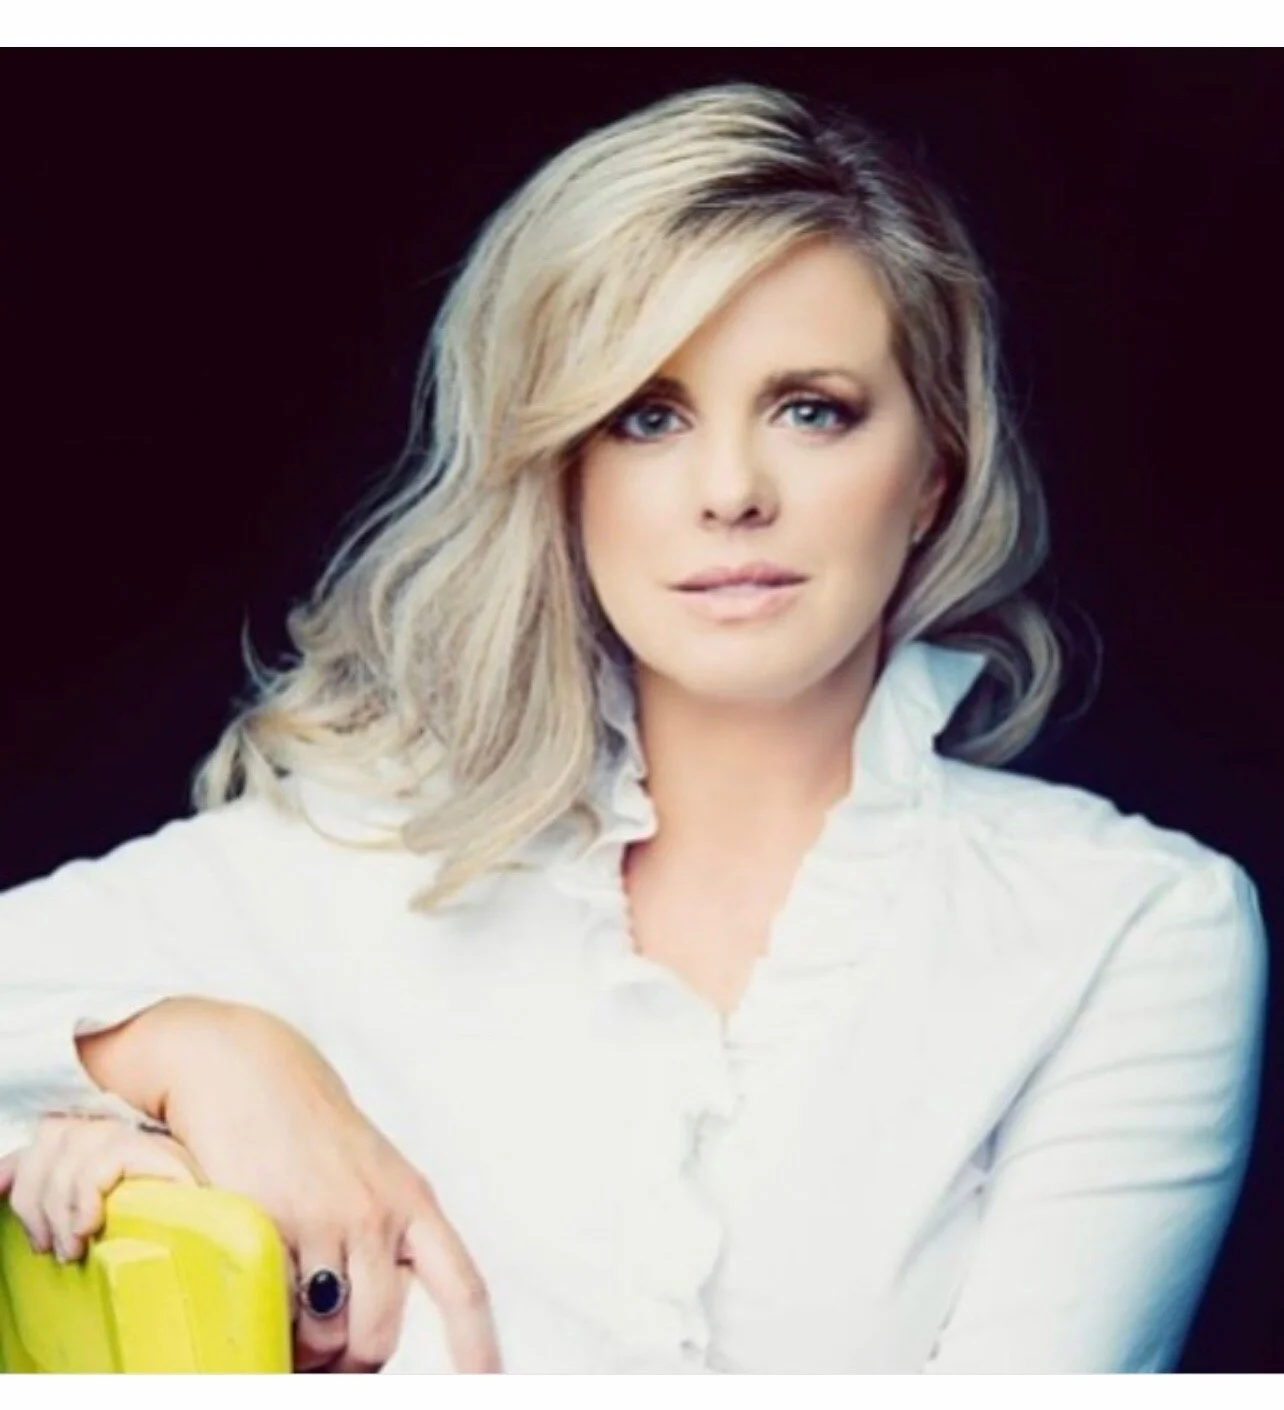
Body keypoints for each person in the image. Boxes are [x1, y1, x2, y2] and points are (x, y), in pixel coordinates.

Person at [0, 80, 1269, 1374]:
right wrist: (192, 1052)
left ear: (935, 467)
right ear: (563, 467)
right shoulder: (355, 855)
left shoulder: (1130, 927)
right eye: (648, 416)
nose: (731, 491)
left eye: (812, 408)